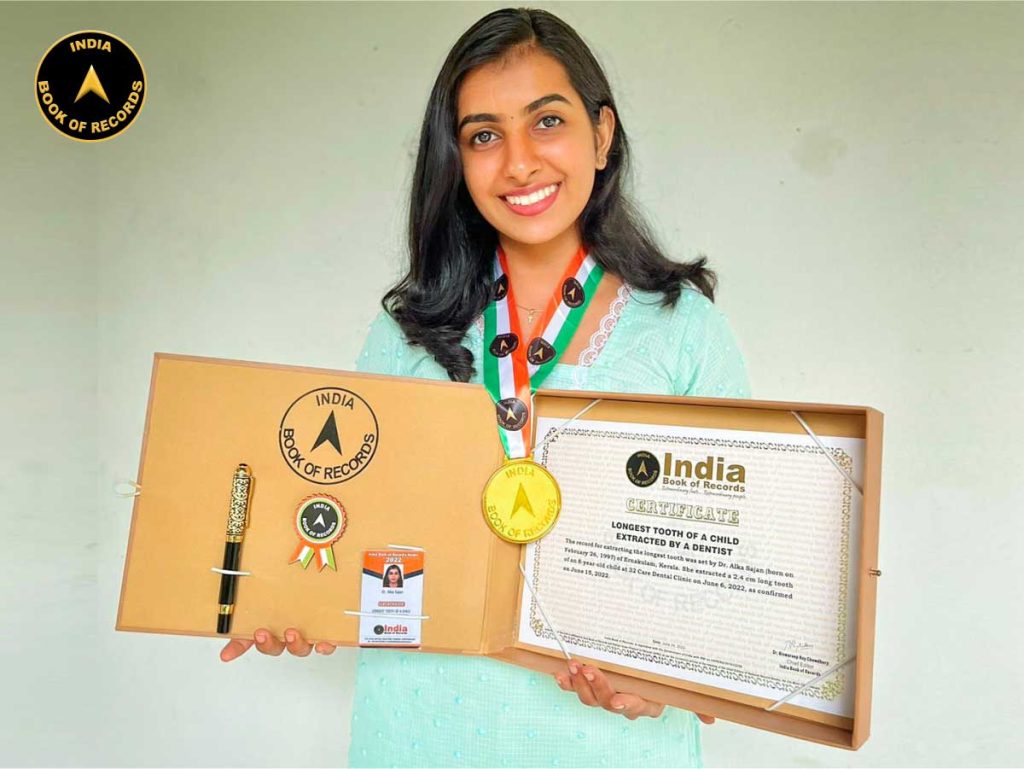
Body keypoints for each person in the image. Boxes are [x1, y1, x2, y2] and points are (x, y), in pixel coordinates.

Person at [221, 7, 750, 767]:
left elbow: (731, 576)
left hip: (609, 743)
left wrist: (672, 682)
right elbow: (349, 532)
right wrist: (295, 597)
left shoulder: (683, 329)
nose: (520, 163)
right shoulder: (403, 332)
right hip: (418, 731)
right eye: (484, 135)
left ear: (602, 135)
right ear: (457, 161)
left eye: (547, 121)